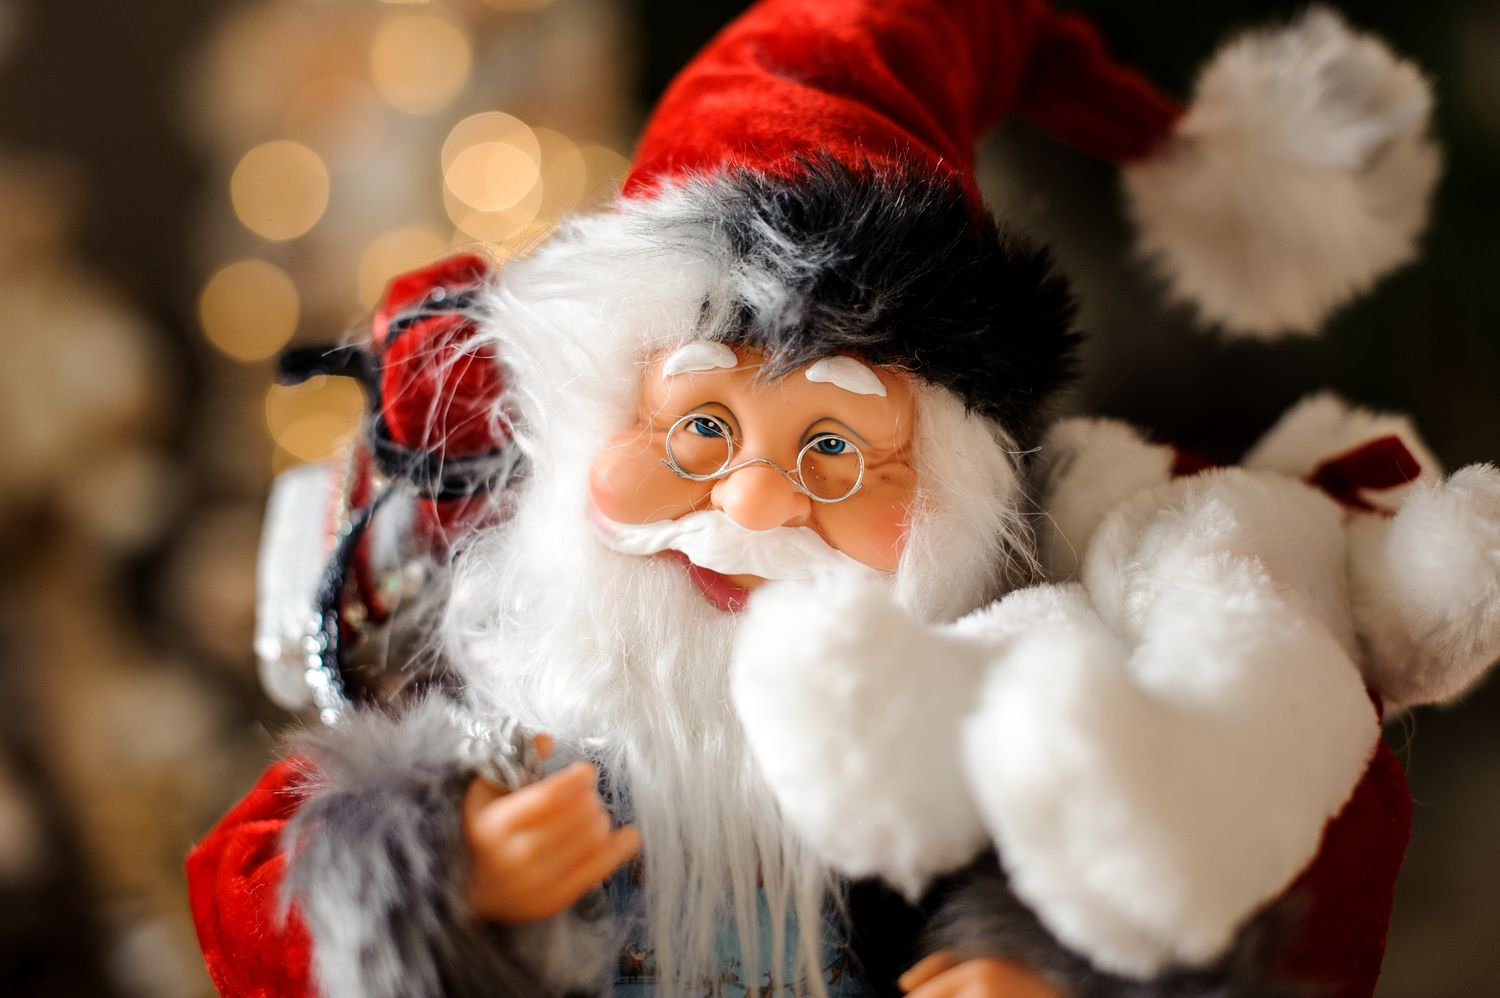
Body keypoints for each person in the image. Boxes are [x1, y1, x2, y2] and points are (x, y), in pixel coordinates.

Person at [188, 2, 1438, 996]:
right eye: (701, 427)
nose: (750, 502)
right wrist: (431, 875)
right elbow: (243, 887)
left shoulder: (995, 710)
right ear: (588, 426)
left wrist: (1066, 960)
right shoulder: (513, 685)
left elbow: (1250, 855)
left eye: (834, 453)